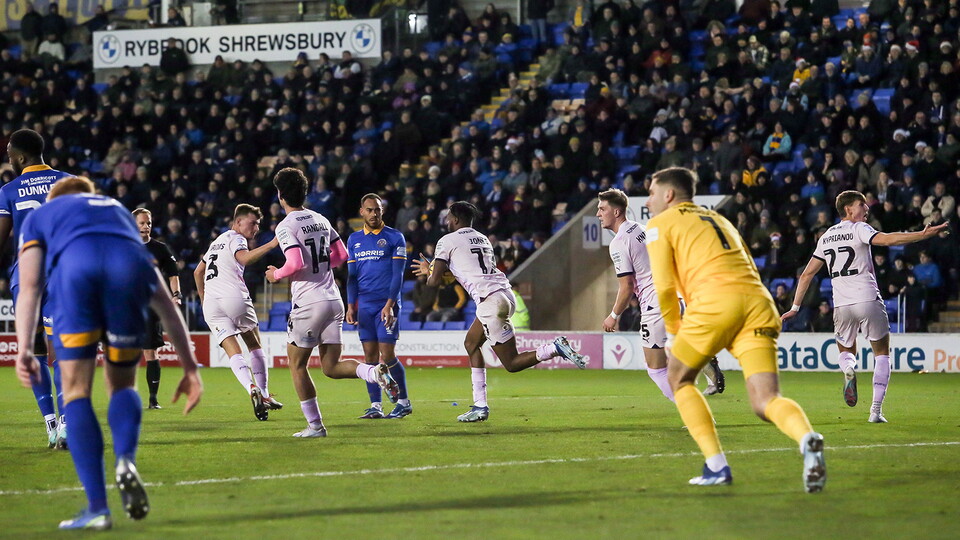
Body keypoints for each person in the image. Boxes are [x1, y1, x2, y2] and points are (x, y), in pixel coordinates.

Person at [15, 176, 202, 530]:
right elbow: (162, 297)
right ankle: (126, 460)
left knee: (76, 392)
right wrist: (191, 368)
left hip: (77, 276)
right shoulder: (117, 211)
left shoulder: (43, 213)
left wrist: (24, 348)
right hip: (126, 274)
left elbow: (29, 287)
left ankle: (98, 508)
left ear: (55, 198)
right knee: (122, 385)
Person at [645, 167, 825, 492]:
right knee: (766, 400)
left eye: (652, 193)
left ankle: (716, 466)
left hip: (715, 302)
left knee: (679, 378)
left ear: (668, 195)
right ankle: (807, 439)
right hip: (759, 303)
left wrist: (673, 334)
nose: (649, 201)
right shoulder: (721, 220)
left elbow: (663, 286)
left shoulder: (660, 224)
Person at [781, 191, 949, 423]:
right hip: (867, 299)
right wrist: (922, 234)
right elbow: (889, 240)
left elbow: (806, 274)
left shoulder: (826, 236)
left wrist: (795, 307)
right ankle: (875, 411)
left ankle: (849, 369)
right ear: (848, 209)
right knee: (882, 354)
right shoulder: (859, 228)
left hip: (841, 305)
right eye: (862, 205)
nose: (867, 209)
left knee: (846, 352)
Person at [411, 201, 586, 423]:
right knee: (471, 343)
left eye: (448, 217)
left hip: (489, 301)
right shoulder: (482, 238)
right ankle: (479, 405)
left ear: (455, 219)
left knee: (511, 363)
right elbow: (468, 268)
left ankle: (554, 348)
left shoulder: (446, 241)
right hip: (505, 294)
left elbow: (434, 283)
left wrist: (429, 270)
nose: (446, 221)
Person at [266, 168, 399, 437]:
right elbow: (341, 256)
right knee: (330, 367)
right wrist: (320, 264)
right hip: (332, 299)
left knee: (296, 364)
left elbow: (295, 263)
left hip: (309, 302)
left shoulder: (286, 226)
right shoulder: (320, 219)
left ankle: (315, 426)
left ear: (281, 196)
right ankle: (375, 374)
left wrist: (275, 274)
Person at [597, 189, 726, 401]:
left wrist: (613, 315)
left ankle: (695, 412)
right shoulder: (642, 229)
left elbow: (627, 285)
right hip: (675, 297)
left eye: (602, 209)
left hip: (655, 305)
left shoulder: (619, 242)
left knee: (656, 369)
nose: (598, 214)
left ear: (617, 211)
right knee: (675, 350)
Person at [0, 128, 71, 448]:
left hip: (27, 276)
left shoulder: (9, 190)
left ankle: (51, 425)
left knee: (35, 350)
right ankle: (68, 425)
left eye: (10, 156)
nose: (8, 160)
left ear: (21, 157)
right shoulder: (70, 183)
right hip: (64, 272)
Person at [195, 204, 280, 420]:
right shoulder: (236, 238)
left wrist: (204, 299)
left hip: (212, 305)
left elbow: (198, 272)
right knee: (254, 345)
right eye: (253, 223)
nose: (256, 228)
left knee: (233, 352)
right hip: (234, 297)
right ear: (238, 222)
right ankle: (265, 394)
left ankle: (251, 388)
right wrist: (272, 244)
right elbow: (244, 258)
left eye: (258, 224)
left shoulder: (216, 242)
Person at [345, 193, 414, 420]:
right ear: (362, 212)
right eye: (369, 210)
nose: (374, 214)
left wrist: (390, 304)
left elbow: (398, 275)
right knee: (369, 357)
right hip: (364, 305)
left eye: (377, 210)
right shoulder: (354, 240)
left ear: (382, 211)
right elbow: (352, 277)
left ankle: (403, 402)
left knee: (388, 353)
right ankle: (376, 405)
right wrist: (350, 305)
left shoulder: (395, 237)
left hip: (387, 304)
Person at [133, 208, 182, 410]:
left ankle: (153, 400)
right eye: (142, 223)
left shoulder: (160, 249)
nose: (146, 226)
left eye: (149, 223)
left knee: (150, 353)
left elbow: (173, 274)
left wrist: (176, 295)